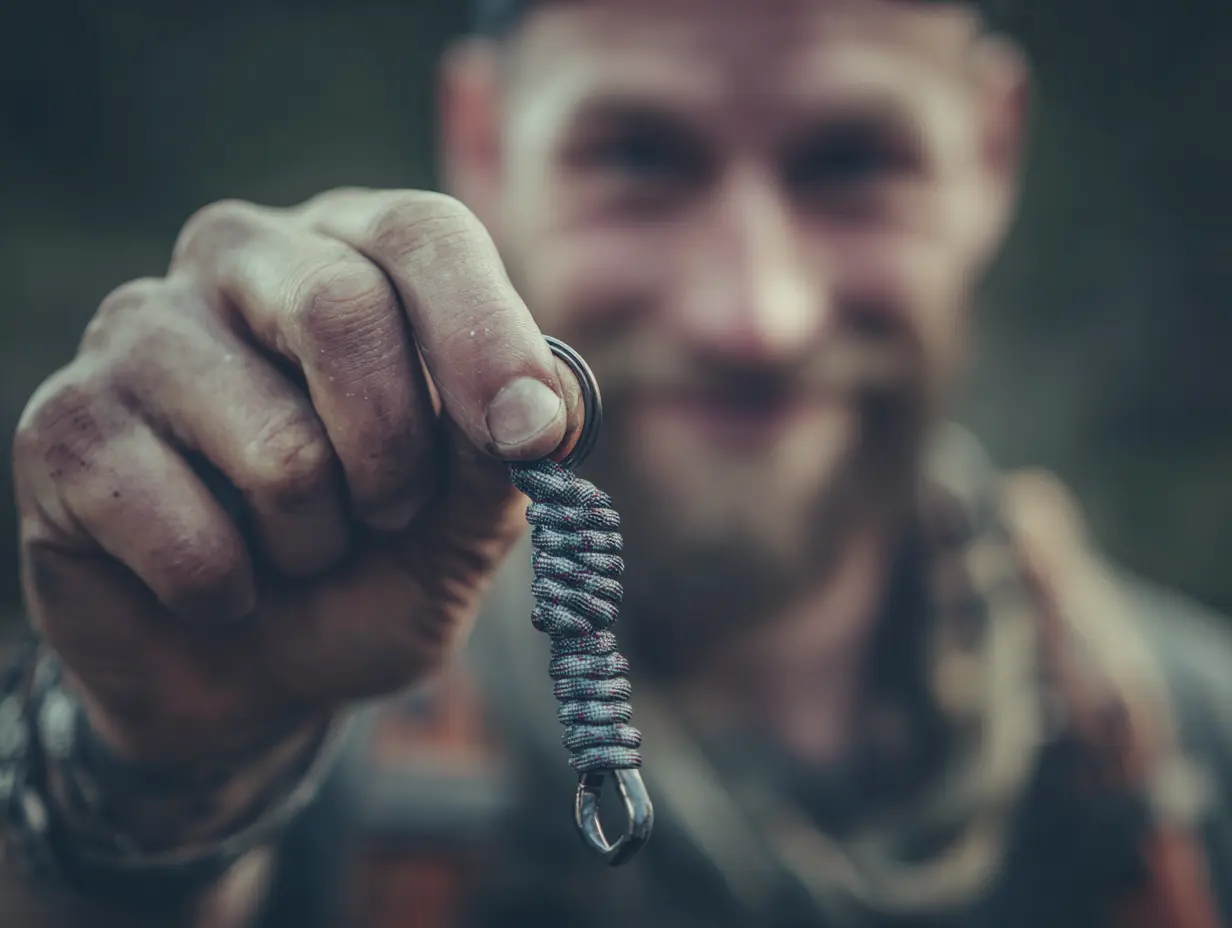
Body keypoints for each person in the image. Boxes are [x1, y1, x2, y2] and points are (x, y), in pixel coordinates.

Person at [3, 0, 1231, 925]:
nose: (753, 313)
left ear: (990, 154)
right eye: (638, 158)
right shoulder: (310, 713)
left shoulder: (1200, 757)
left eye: (850, 162)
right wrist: (151, 777)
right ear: (480, 145)